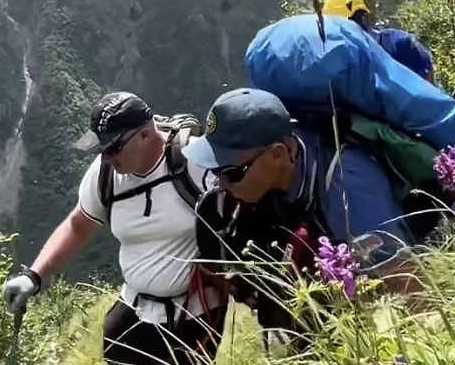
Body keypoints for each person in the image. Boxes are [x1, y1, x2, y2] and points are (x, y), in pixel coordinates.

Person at [1, 91, 225, 365]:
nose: (106, 158)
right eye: (101, 149)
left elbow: (237, 219)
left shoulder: (196, 163)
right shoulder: (107, 175)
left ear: (147, 134)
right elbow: (80, 224)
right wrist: (34, 276)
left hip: (192, 317)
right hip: (135, 309)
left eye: (112, 148)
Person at [183, 87, 427, 300]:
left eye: (232, 172)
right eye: (215, 171)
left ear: (278, 154)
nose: (222, 185)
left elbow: (410, 287)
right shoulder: (289, 160)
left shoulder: (348, 190)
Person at [322, 0, 436, 82]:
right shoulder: (341, 60)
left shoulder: (398, 44)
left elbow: (427, 88)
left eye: (345, 25)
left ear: (364, 19)